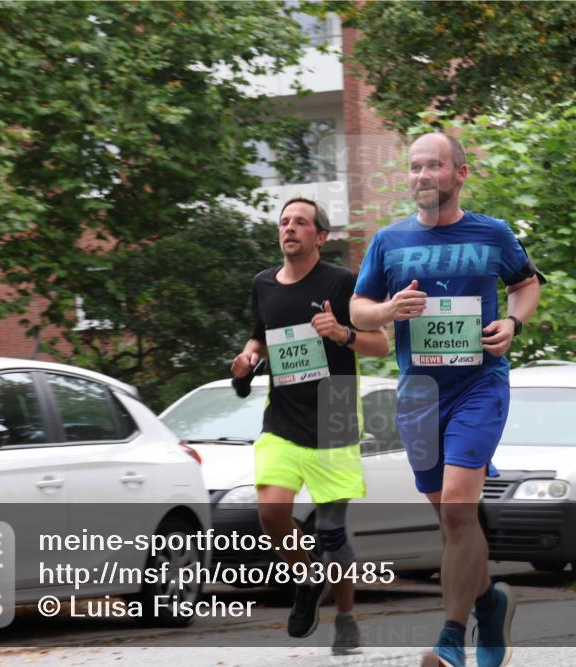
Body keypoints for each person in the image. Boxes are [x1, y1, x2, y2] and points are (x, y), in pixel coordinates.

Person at [350, 133, 543, 667]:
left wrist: (513, 321)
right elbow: (357, 308)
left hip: (479, 385)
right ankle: (489, 601)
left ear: (459, 173)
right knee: (453, 522)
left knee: (459, 505)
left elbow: (526, 284)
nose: (421, 176)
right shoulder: (388, 242)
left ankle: (451, 638)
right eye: (414, 167)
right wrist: (388, 310)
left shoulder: (492, 233)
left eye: (433, 166)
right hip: (419, 394)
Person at [231, 196, 389, 653]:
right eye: (284, 222)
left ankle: (345, 616)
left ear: (320, 236)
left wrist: (341, 334)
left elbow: (380, 344)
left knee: (331, 531)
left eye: (301, 222)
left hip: (334, 410)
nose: (290, 228)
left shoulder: (343, 283)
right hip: (282, 415)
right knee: (271, 512)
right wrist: (249, 358)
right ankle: (306, 580)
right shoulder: (263, 284)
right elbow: (259, 336)